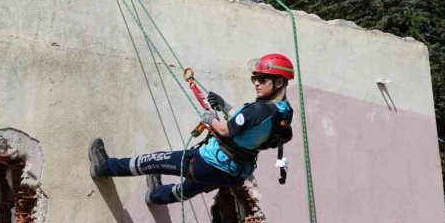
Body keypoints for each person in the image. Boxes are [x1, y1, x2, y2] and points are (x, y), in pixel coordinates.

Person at [88, 53, 295, 205]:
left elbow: (225, 131)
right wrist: (224, 106)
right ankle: (156, 196)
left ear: (278, 82)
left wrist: (210, 118)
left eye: (262, 79)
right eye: (255, 78)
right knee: (189, 189)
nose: (256, 83)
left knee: (154, 161)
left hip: (209, 161)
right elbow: (250, 125)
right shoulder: (283, 112)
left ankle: (104, 167)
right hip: (232, 173)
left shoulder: (258, 108)